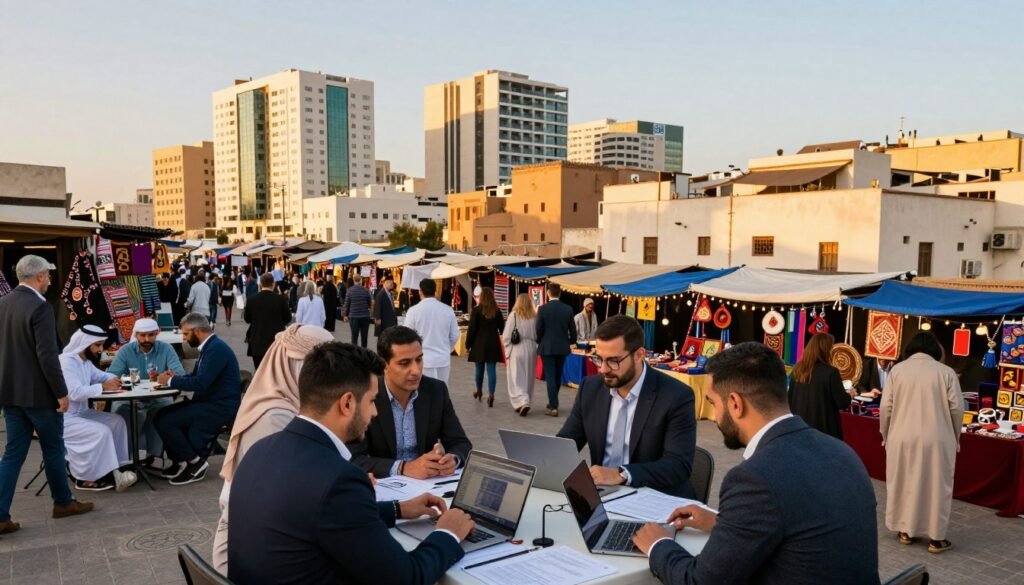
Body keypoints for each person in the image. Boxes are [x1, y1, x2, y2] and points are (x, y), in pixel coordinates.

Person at [632, 342, 880, 585]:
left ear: (735, 404)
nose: (715, 416)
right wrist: (722, 521)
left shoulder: (755, 478)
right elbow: (799, 522)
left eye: (713, 403)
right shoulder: (842, 452)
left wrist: (658, 545)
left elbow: (700, 580)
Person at [227, 341, 475, 584]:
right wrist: (448, 532)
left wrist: (398, 509)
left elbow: (318, 514)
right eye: (370, 401)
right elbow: (407, 577)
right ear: (347, 403)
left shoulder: (260, 449)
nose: (375, 412)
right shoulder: (337, 479)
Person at [212, 323, 334, 574]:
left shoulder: (285, 405)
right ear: (296, 365)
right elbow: (299, 496)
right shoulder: (275, 416)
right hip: (252, 553)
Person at [0, 255, 94, 530]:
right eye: (49, 276)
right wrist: (61, 392)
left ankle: (1, 514)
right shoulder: (40, 307)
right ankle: (63, 501)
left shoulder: (3, 303)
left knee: (13, 453)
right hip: (39, 394)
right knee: (53, 447)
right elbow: (47, 355)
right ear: (39, 276)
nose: (50, 280)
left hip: (10, 392)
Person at [557, 315, 697, 497]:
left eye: (613, 361)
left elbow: (678, 465)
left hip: (655, 497)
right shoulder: (590, 388)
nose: (603, 369)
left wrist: (621, 474)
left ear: (639, 355)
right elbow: (566, 443)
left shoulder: (676, 396)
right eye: (598, 359)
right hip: (602, 496)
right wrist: (540, 461)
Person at [349, 326, 472, 479]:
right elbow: (353, 458)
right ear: (384, 365)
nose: (416, 370)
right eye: (405, 363)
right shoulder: (366, 395)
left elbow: (461, 443)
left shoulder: (435, 390)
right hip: (384, 487)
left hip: (428, 485)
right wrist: (403, 468)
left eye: (419, 360)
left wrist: (453, 459)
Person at [881, 331, 963, 554]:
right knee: (937, 486)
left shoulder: (897, 371)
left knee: (903, 482)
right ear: (935, 350)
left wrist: (886, 434)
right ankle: (936, 538)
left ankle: (905, 530)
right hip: (937, 437)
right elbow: (957, 408)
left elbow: (885, 407)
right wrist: (955, 436)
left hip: (902, 435)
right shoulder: (946, 373)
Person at [154, 313, 242, 486]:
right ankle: (180, 461)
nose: (184, 339)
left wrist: (171, 381)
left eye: (186, 334)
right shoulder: (209, 347)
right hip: (209, 402)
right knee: (160, 415)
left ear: (198, 331)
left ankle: (195, 462)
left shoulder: (215, 349)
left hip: (219, 406)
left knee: (165, 420)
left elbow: (201, 383)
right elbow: (196, 377)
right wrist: (178, 377)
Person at [58, 325, 138, 492]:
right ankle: (85, 477)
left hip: (82, 413)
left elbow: (101, 376)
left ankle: (115, 469)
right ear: (84, 343)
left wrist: (115, 380)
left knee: (116, 421)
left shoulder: (84, 362)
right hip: (64, 418)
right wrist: (103, 387)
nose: (101, 349)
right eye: (98, 345)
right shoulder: (67, 363)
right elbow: (74, 393)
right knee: (101, 431)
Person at [108, 318, 185, 466]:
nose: (146, 339)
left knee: (164, 410)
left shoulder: (166, 349)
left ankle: (154, 455)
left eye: (151, 335)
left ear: (157, 333)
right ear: (136, 335)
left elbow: (179, 373)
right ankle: (124, 457)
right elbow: (112, 376)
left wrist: (168, 375)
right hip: (129, 398)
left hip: (158, 397)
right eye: (142, 335)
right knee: (122, 411)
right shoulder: (126, 351)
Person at [788, 333, 854, 439]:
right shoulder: (831, 372)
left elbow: (790, 401)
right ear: (825, 350)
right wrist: (851, 395)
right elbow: (842, 403)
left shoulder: (797, 371)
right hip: (823, 432)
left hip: (799, 430)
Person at [402, 278, 460, 385]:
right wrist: (447, 348)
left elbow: (406, 335)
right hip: (442, 359)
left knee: (424, 393)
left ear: (420, 291)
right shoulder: (447, 310)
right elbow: (455, 335)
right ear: (435, 291)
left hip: (423, 360)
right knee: (441, 392)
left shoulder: (414, 311)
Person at [535, 283, 577, 416]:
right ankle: (552, 402)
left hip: (547, 347)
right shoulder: (568, 309)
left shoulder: (542, 309)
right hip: (562, 347)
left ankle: (553, 406)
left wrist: (540, 341)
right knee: (557, 376)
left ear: (548, 293)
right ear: (560, 293)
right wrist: (570, 342)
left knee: (550, 377)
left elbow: (538, 329)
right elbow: (573, 331)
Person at [465, 286, 505, 408]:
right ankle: (491, 394)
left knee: (479, 369)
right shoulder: (497, 311)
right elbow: (502, 329)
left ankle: (479, 390)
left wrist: (468, 345)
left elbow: (472, 330)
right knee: (491, 369)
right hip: (493, 343)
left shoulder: (476, 311)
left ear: (481, 297)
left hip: (479, 343)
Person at [244, 272, 292, 369]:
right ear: (273, 284)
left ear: (260, 284)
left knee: (259, 371)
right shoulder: (280, 299)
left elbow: (247, 319)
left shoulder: (252, 300)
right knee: (275, 372)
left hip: (257, 342)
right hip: (276, 343)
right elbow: (288, 318)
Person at [502, 293, 538, 416]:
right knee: (529, 376)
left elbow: (506, 336)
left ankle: (522, 401)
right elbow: (538, 335)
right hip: (531, 348)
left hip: (517, 348)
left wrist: (507, 350)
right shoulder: (535, 316)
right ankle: (525, 400)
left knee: (517, 376)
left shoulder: (514, 316)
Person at [343, 274, 373, 348]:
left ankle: (355, 354)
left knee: (354, 337)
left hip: (354, 316)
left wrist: (345, 315)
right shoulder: (366, 290)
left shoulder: (349, 291)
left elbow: (347, 304)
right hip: (365, 316)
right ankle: (364, 353)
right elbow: (370, 303)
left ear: (353, 280)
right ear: (361, 280)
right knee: (364, 337)